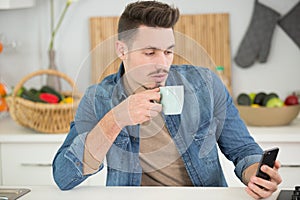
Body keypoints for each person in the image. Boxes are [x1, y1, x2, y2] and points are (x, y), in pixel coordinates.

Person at [52, 1, 282, 199]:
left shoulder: (205, 85)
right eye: (150, 53)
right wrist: (116, 119)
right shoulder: (98, 98)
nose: (162, 64)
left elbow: (242, 149)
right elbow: (64, 175)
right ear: (122, 50)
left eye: (168, 52)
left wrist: (256, 175)